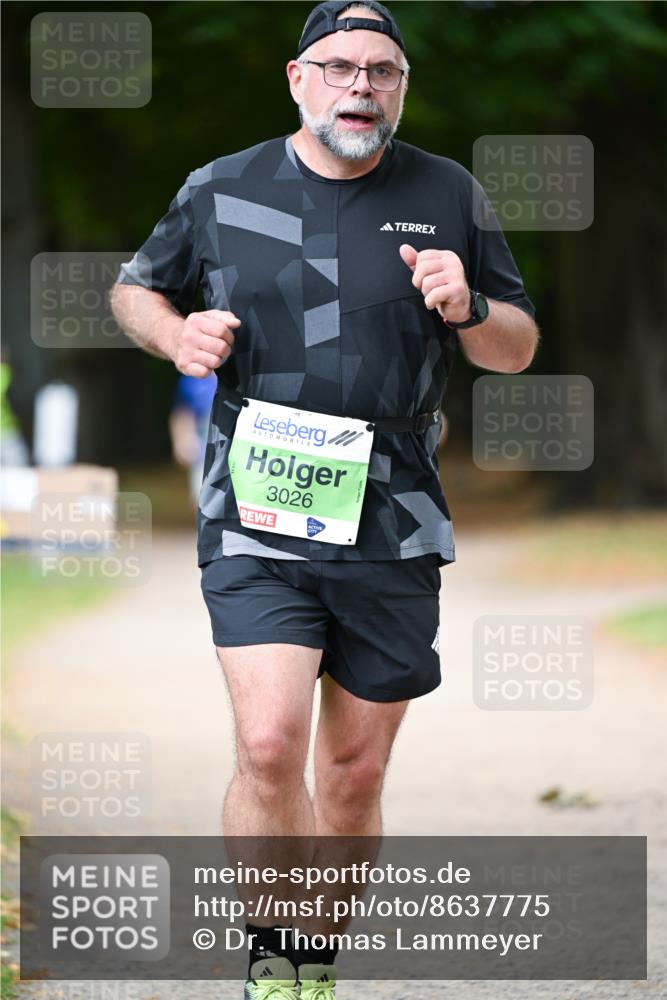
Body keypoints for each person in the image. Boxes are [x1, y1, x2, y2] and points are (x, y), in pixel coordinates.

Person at [110, 3, 538, 996]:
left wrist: (466, 302)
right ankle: (270, 953)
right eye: (339, 67)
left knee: (350, 774)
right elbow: (136, 289)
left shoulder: (447, 194)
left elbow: (514, 350)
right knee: (267, 744)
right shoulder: (221, 189)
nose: (360, 86)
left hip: (393, 515)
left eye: (381, 70)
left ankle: (314, 954)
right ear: (297, 79)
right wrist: (177, 339)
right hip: (255, 503)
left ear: (401, 87)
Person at [169, 372, 217, 505]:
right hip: (204, 454)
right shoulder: (194, 379)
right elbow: (182, 412)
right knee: (205, 503)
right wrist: (181, 440)